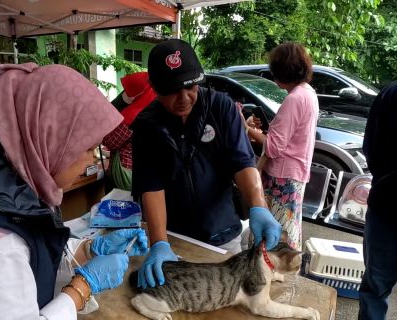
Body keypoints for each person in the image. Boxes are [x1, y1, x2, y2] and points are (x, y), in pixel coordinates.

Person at [0, 63, 149, 319]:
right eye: (87, 148)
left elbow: (30, 253)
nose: (92, 159)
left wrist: (88, 250)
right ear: (50, 138)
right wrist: (80, 290)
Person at [131, 39, 282, 289]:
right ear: (156, 89)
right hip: (175, 239)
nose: (183, 98)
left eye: (190, 87)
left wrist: (259, 206)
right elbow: (151, 186)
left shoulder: (220, 107)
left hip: (223, 233)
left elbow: (242, 162)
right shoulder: (147, 125)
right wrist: (159, 243)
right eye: (172, 90)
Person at [245, 42, 319, 250]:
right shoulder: (308, 93)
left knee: (273, 232)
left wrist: (246, 128)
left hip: (281, 176)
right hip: (296, 172)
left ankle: (265, 274)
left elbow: (274, 148)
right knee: (289, 226)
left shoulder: (294, 99)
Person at [358, 81, 397, 320]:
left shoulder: (391, 93)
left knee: (375, 288)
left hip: (387, 205)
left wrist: (384, 177)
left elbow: (371, 146)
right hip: (386, 204)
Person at [102, 71, 156, 191]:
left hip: (128, 173)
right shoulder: (155, 110)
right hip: (148, 172)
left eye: (128, 92)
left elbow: (109, 141)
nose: (125, 95)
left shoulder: (132, 116)